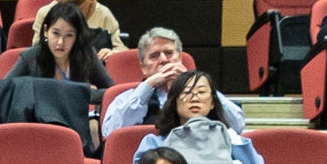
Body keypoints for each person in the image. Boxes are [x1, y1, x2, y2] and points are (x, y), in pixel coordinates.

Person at [147, 67, 262, 164]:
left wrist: (231, 134)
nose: (195, 98)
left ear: (213, 102)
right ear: (174, 101)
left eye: (201, 92)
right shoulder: (155, 143)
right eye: (187, 93)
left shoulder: (229, 138)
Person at [100, 27, 248, 136]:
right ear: (143, 68)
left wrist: (192, 81)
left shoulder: (202, 94)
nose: (164, 60)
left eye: (169, 53)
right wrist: (148, 86)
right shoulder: (127, 98)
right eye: (154, 56)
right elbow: (111, 134)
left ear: (180, 59)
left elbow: (237, 125)